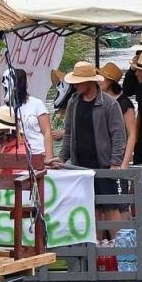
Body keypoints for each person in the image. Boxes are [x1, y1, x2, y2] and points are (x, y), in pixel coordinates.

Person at [54, 61, 126, 203]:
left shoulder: (109, 104)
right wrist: (62, 158)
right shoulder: (73, 102)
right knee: (88, 206)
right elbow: (69, 133)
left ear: (90, 82)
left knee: (110, 206)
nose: (75, 86)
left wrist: (116, 162)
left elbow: (118, 134)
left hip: (103, 164)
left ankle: (112, 227)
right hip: (79, 165)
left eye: (79, 82)